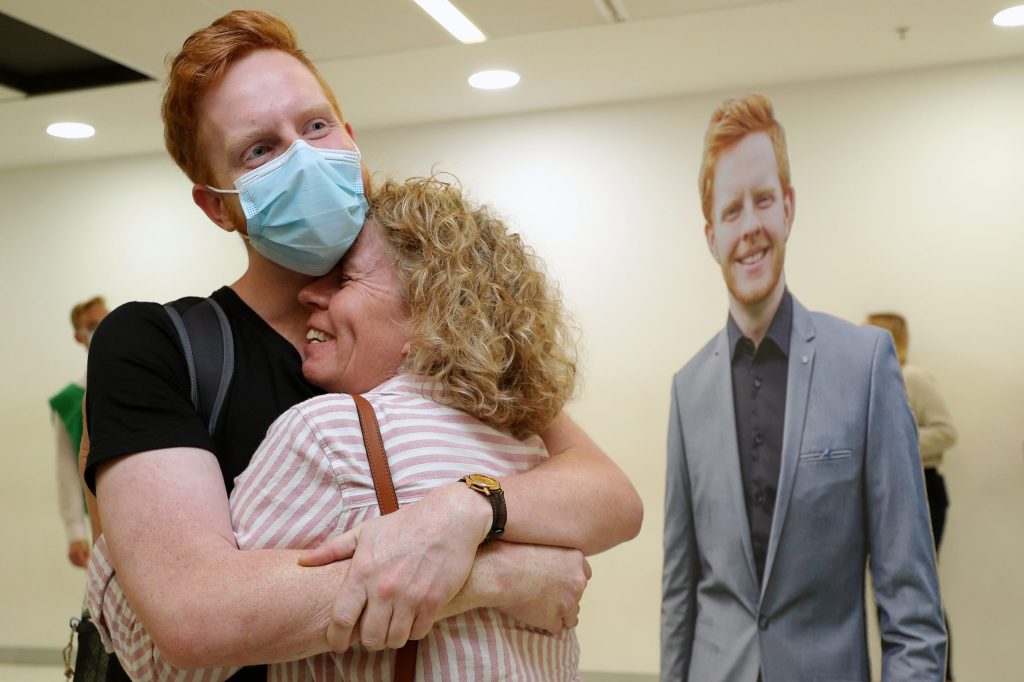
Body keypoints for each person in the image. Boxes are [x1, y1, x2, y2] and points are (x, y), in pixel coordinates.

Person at [83, 9, 642, 680]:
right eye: (259, 149)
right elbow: (197, 617)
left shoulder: (429, 309)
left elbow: (608, 495)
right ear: (218, 205)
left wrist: (464, 510)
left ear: (350, 139)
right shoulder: (156, 346)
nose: (302, 155)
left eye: (315, 126)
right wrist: (501, 574)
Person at [89, 175, 589, 680]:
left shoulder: (332, 436)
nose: (309, 294)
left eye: (345, 279)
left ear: (431, 317)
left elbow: (166, 659)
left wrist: (116, 517)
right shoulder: (526, 443)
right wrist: (501, 574)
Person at [660, 93, 946, 681]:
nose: (751, 227)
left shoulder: (866, 367)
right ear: (710, 234)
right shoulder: (688, 391)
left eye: (763, 200)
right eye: (732, 210)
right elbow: (679, 594)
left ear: (788, 208)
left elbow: (912, 606)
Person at [866, 311, 957, 681]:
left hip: (923, 492)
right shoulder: (869, 381)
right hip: (881, 494)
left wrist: (895, 443)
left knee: (918, 594)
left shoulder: (912, 378)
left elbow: (946, 431)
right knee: (886, 594)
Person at [49, 295, 108, 568]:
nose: (104, 328)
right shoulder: (69, 401)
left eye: (107, 320)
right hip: (102, 516)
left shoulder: (142, 382)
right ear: (78, 336)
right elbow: (66, 469)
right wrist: (75, 532)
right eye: (94, 324)